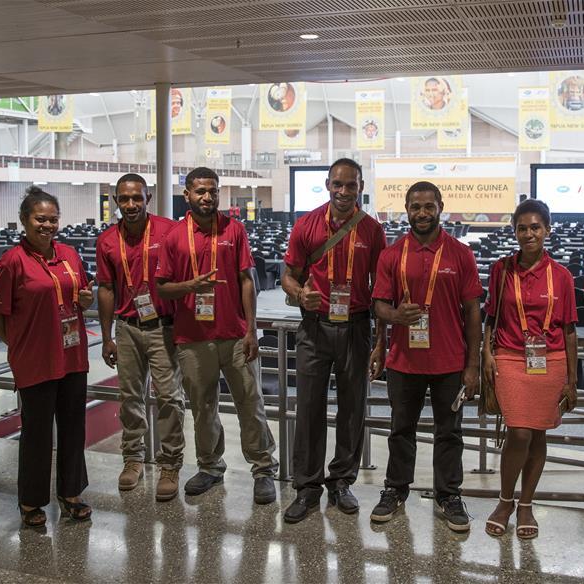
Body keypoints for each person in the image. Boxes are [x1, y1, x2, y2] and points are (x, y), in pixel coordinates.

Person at [156, 167, 278, 504]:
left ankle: (263, 469)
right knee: (203, 407)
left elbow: (247, 280)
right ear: (187, 195)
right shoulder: (174, 237)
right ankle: (210, 466)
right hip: (193, 338)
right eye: (200, 191)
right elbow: (162, 288)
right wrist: (191, 286)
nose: (207, 197)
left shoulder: (234, 229)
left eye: (213, 191)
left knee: (250, 403)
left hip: (235, 335)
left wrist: (251, 329)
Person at [369, 181, 482, 532]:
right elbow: (379, 306)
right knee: (401, 430)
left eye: (429, 206)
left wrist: (473, 365)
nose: (422, 213)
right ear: (406, 209)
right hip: (404, 362)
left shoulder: (460, 254)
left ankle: (449, 495)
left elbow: (473, 311)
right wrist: (395, 317)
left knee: (450, 433)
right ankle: (395, 489)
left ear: (440, 208)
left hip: (450, 362)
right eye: (415, 207)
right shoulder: (392, 254)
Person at [280, 158, 386, 523]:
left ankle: (341, 481)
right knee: (309, 407)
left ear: (360, 187)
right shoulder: (307, 225)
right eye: (337, 184)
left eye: (351, 185)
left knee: (352, 409)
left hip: (356, 327)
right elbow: (288, 275)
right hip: (314, 327)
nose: (343, 191)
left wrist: (380, 341)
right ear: (327, 185)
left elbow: (381, 290)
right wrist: (299, 295)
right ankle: (307, 486)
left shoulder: (372, 230)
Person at [0, 186, 94, 527]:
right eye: (40, 219)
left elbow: (82, 294)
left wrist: (86, 300)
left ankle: (71, 493)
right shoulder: (11, 262)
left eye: (53, 219)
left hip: (72, 355)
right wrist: (17, 343)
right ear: (24, 220)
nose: (47, 225)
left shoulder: (69, 255)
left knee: (73, 427)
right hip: (36, 360)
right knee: (37, 432)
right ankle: (31, 501)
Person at [481, 200, 578, 539]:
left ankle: (525, 504)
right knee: (520, 431)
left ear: (547, 230)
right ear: (514, 232)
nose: (528, 234)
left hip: (550, 362)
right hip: (510, 357)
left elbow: (569, 330)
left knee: (538, 433)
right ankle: (505, 500)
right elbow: (491, 316)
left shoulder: (561, 276)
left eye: (535, 227)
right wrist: (486, 352)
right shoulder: (502, 269)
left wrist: (572, 380)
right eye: (521, 228)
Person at [96, 173, 185, 501]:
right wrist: (107, 337)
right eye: (124, 199)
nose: (131, 204)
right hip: (127, 328)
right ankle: (133, 457)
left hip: (164, 327)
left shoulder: (169, 230)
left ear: (148, 198)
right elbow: (106, 289)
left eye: (137, 197)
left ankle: (170, 462)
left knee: (169, 397)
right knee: (130, 397)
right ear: (116, 201)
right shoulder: (107, 240)